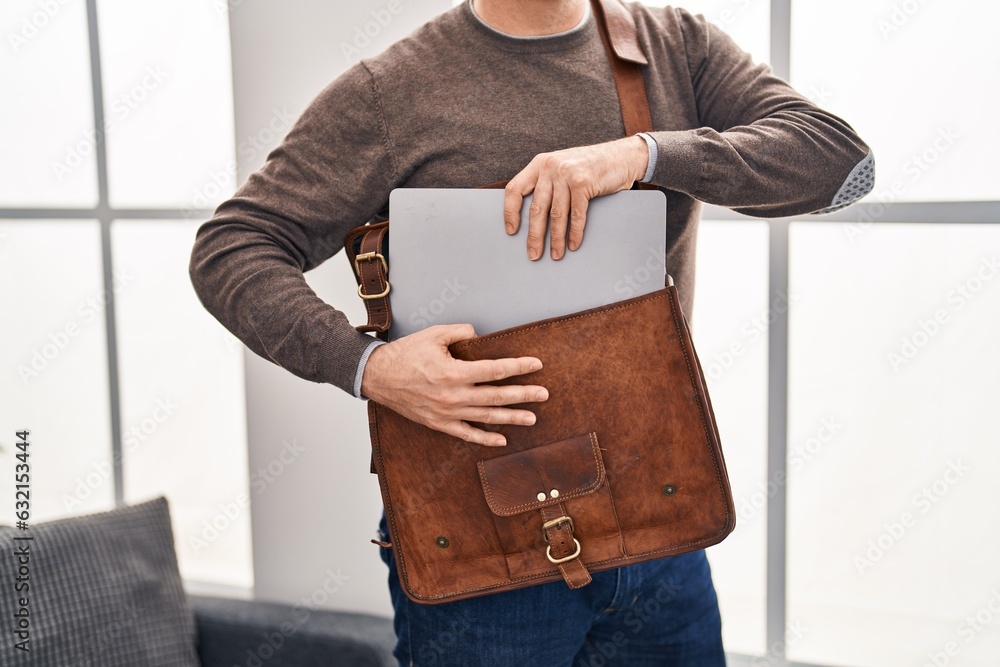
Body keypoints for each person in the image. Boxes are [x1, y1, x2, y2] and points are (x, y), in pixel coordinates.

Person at [190, 0, 874, 664]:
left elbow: (843, 165)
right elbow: (233, 246)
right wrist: (370, 365)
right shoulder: (389, 91)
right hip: (481, 552)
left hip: (659, 522)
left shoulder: (675, 47)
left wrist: (642, 155)